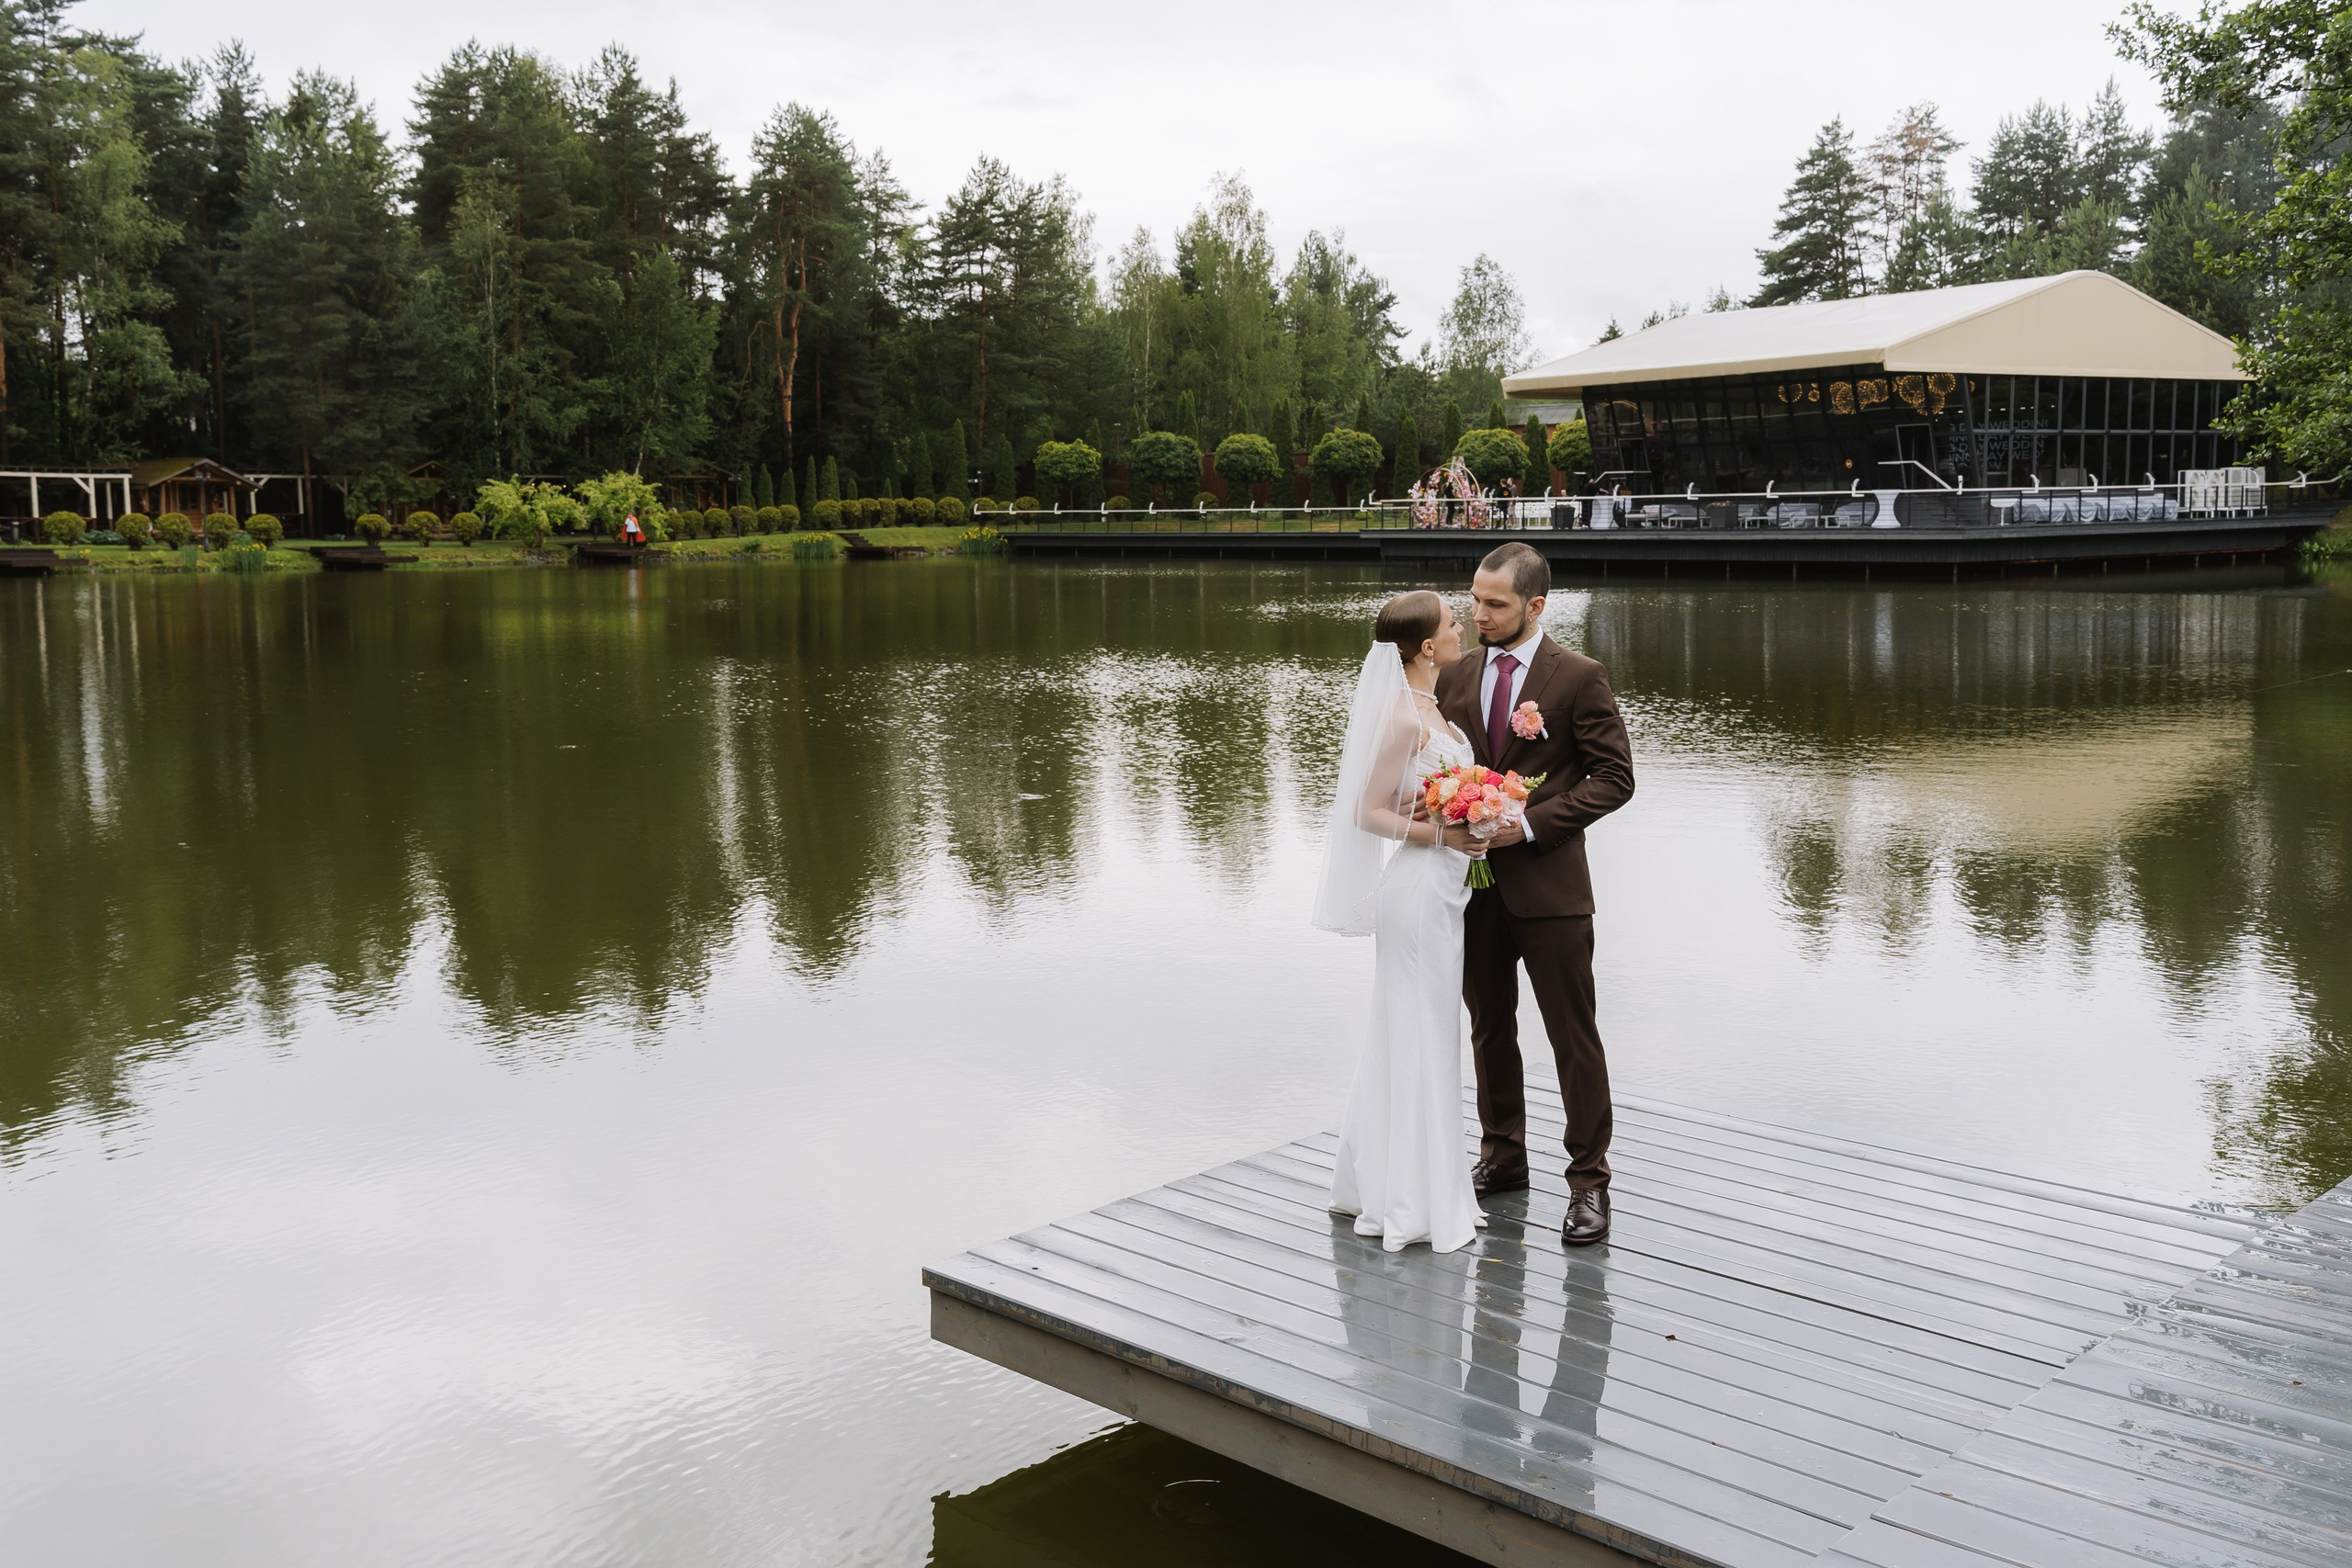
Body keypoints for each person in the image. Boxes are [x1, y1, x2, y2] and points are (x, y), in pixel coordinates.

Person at [1435, 542, 1634, 1245]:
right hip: (1472, 890)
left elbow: (1614, 778)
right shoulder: (1453, 677)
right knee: (1489, 1028)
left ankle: (1589, 1182)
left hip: (1550, 888)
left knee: (1572, 1037)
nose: (1478, 614)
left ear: (1536, 606)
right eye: (1474, 600)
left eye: (1495, 604)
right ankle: (1503, 1156)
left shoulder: (1578, 676)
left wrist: (1526, 823)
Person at [1314, 591, 1494, 1253]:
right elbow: (1367, 811)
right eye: (1452, 624)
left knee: (1425, 1032)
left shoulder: (1433, 711)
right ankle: (1414, 1200)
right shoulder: (1404, 721)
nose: (1461, 629)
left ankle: (1404, 1180)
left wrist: (1479, 809)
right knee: (1419, 1033)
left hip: (1443, 895)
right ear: (1425, 647)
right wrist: (1444, 837)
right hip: (1417, 895)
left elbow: (1423, 803)